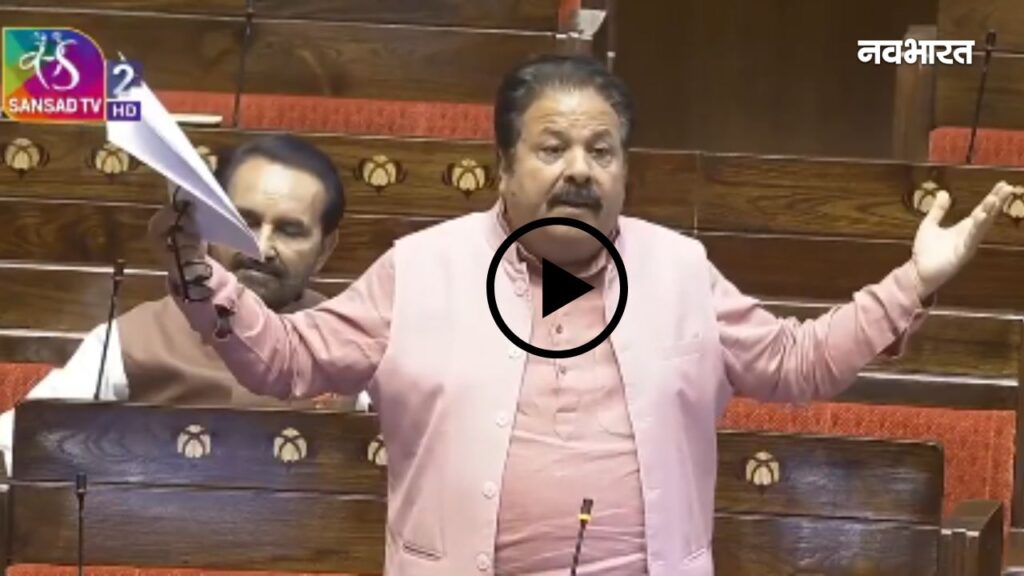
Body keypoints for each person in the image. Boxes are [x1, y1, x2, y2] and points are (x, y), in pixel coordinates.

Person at [151, 55, 1016, 575]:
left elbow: (797, 364)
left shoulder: (679, 270)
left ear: (626, 171)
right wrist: (202, 278)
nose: (580, 170)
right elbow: (290, 360)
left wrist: (916, 278)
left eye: (603, 151)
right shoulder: (421, 268)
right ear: (503, 165)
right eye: (553, 147)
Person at [0, 134, 370, 473]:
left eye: (290, 230)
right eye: (245, 223)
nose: (262, 248)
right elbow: (20, 442)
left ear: (325, 249)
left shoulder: (355, 345)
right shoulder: (130, 340)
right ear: (209, 227)